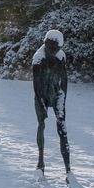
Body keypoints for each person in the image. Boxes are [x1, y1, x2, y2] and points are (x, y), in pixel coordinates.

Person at [31, 28, 70, 175]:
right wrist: (41, 104)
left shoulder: (61, 57)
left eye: (57, 48)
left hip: (56, 94)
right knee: (41, 125)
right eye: (51, 48)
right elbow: (37, 86)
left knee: (63, 129)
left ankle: (68, 171)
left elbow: (64, 81)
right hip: (41, 95)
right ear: (45, 44)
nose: (54, 51)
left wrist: (62, 100)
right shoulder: (38, 59)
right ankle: (40, 162)